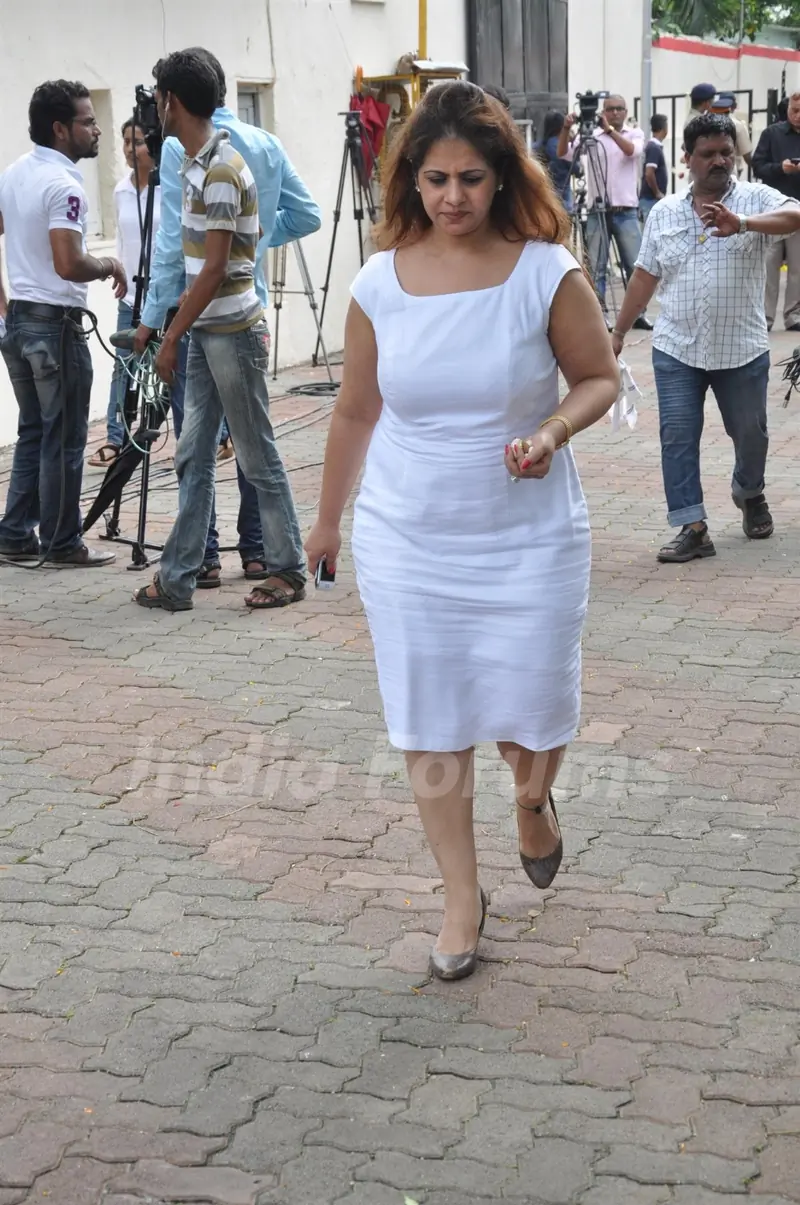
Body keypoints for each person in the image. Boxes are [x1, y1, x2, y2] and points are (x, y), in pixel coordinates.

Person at [305, 81, 619, 982]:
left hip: (528, 535)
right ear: (410, 178)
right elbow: (355, 410)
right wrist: (326, 521)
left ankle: (532, 800)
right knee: (430, 718)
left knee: (535, 709)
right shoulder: (378, 283)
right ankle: (460, 897)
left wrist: (551, 432)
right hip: (408, 535)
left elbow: (598, 377)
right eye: (436, 178)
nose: (453, 197)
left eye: (471, 178)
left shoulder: (544, 271)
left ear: (502, 176)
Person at [136, 47, 321, 593]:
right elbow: (211, 256)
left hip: (231, 333)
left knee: (256, 454)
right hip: (209, 328)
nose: (155, 109)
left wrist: (167, 333)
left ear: (171, 102)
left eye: (157, 98)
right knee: (193, 455)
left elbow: (212, 268)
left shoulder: (218, 169)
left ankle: (288, 569)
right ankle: (178, 578)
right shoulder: (197, 163)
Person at [611, 113, 800, 564]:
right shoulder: (665, 212)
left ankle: (749, 492)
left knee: (751, 434)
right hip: (677, 347)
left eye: (725, 152)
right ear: (687, 159)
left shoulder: (755, 198)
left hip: (742, 348)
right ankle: (692, 527)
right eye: (708, 154)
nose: (719, 161)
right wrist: (617, 333)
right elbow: (644, 275)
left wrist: (745, 223)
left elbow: (797, 214)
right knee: (677, 435)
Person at [0, 80, 125, 567]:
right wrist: (109, 264)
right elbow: (69, 263)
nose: (96, 130)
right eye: (87, 122)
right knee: (66, 435)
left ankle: (15, 533)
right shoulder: (64, 185)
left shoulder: (15, 173)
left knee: (35, 429)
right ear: (59, 129)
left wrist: (6, 305)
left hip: (21, 322)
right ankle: (62, 541)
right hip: (54, 326)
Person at [89, 119, 161, 467]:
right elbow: (123, 241)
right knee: (123, 367)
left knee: (182, 368)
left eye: (139, 142)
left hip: (166, 297)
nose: (131, 150)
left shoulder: (168, 188)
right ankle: (115, 438)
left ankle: (220, 435)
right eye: (127, 142)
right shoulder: (120, 191)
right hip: (132, 296)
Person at [569, 94, 651, 329]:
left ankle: (637, 314)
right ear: (602, 112)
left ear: (626, 112)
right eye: (610, 109)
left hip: (626, 211)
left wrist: (610, 131)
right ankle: (600, 315)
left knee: (635, 266)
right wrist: (567, 129)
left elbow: (632, 151)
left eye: (619, 109)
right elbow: (565, 153)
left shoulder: (634, 133)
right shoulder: (591, 136)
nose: (615, 113)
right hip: (598, 210)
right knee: (596, 268)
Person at [752, 90, 800, 332]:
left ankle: (793, 315)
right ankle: (764, 316)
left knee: (798, 268)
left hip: (799, 212)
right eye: (794, 110)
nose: (798, 116)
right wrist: (780, 168)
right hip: (773, 209)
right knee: (768, 266)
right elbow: (757, 166)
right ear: (788, 109)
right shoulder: (772, 134)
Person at [534, 110, 574, 213]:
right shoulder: (563, 148)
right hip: (563, 194)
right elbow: (576, 169)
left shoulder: (536, 147)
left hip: (543, 194)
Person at [711, 92, 752, 178]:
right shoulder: (738, 125)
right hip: (731, 170)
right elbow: (747, 155)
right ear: (733, 106)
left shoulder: (706, 125)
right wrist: (758, 169)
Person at [639, 114, 669, 223]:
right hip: (650, 199)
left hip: (651, 200)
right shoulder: (654, 148)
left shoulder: (654, 147)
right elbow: (649, 173)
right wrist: (657, 192)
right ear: (664, 129)